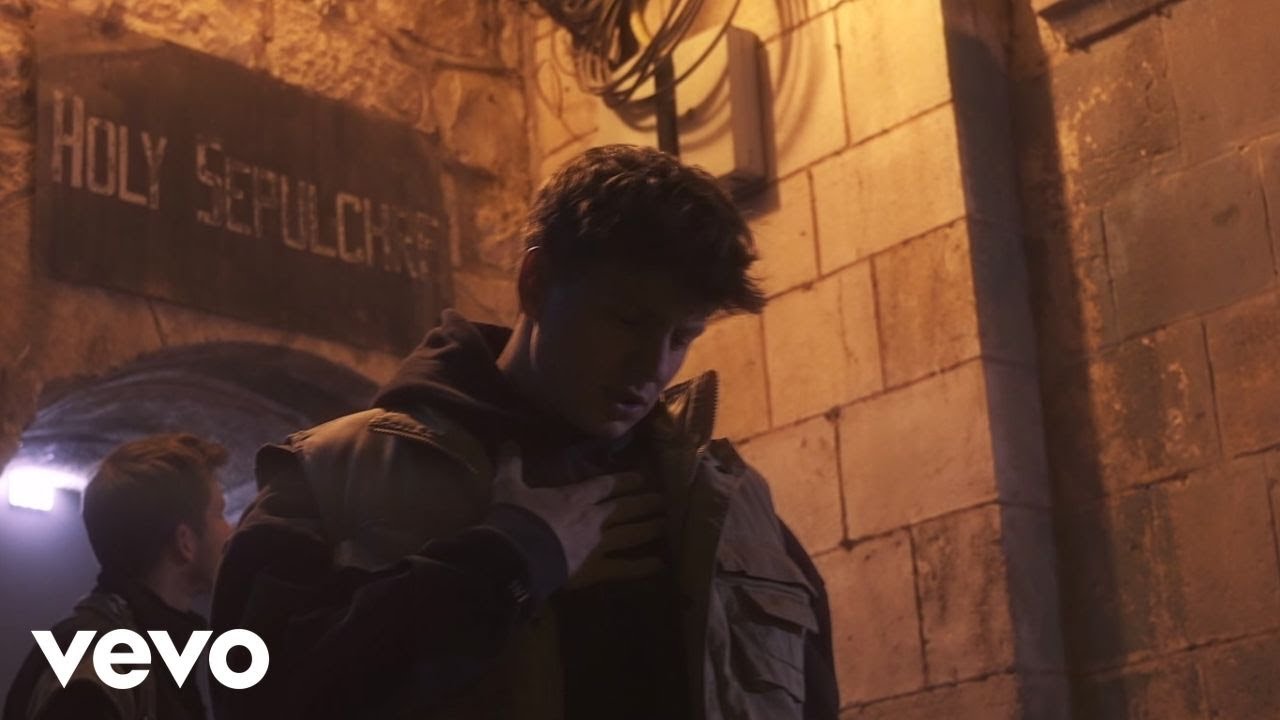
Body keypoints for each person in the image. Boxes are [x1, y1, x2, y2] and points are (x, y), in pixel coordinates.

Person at [210, 144, 839, 719]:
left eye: (682, 337)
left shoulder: (732, 506)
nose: (653, 366)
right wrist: (506, 561)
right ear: (535, 285)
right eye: (627, 321)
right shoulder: (330, 475)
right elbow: (251, 693)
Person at [4, 433, 233, 720]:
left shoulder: (141, 650)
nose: (230, 531)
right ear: (185, 542)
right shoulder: (101, 667)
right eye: (220, 513)